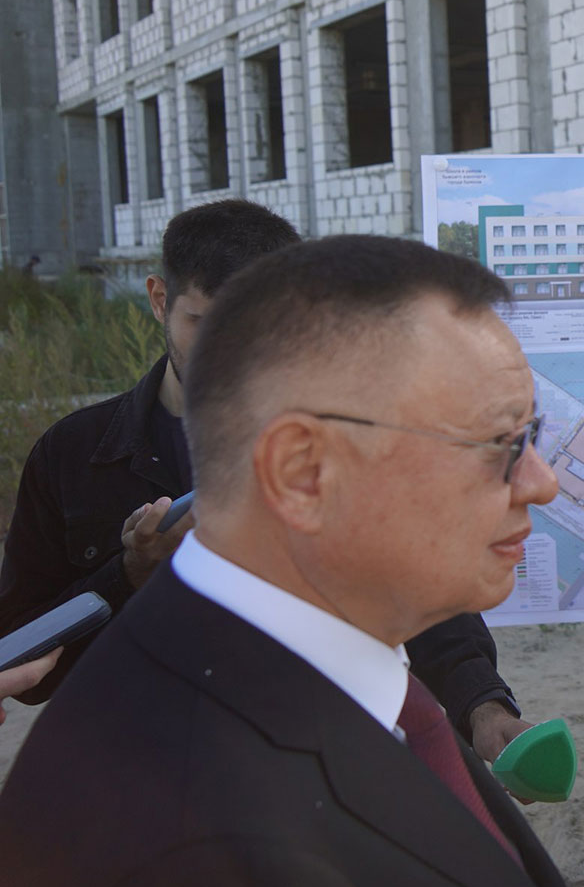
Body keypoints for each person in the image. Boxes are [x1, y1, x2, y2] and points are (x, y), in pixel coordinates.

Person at [0, 236, 575, 887]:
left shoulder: (363, 687)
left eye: (532, 435)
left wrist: (479, 700)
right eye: (499, 443)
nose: (544, 483)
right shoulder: (201, 849)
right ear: (301, 472)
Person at [0, 199, 533, 757]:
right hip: (135, 774)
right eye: (205, 323)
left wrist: (484, 707)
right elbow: (27, 659)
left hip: (315, 771)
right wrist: (130, 576)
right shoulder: (72, 455)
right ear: (160, 299)